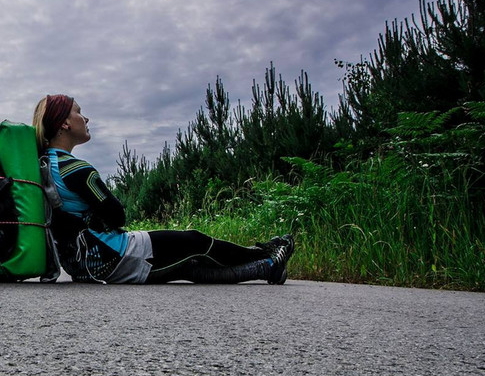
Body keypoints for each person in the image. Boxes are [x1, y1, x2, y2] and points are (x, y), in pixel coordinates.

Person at [33, 94, 294, 285]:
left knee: (187, 266)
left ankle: (266, 266)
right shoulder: (75, 169)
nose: (86, 118)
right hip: (113, 255)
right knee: (194, 241)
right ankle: (265, 254)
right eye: (79, 112)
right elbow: (117, 216)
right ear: (65, 124)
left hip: (81, 264)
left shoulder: (44, 164)